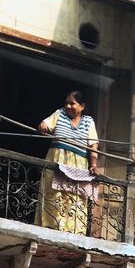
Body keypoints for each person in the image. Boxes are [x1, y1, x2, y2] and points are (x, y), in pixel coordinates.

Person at [37, 90, 99, 234]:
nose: (68, 106)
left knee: (75, 198)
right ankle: (51, 228)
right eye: (67, 103)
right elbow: (44, 124)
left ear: (82, 106)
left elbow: (93, 145)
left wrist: (93, 165)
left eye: (73, 103)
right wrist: (43, 127)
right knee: (54, 195)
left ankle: (72, 231)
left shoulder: (88, 122)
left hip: (77, 165)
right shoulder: (59, 114)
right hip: (57, 160)